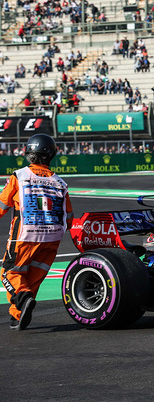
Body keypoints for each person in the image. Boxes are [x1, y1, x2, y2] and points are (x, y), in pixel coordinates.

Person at [1, 134, 73, 331]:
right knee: (33, 277)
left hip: (25, 235)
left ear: (29, 154)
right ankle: (17, 316)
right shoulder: (60, 182)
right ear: (52, 155)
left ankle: (22, 299)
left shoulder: (20, 176)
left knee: (9, 272)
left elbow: (2, 205)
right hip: (52, 238)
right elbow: (69, 216)